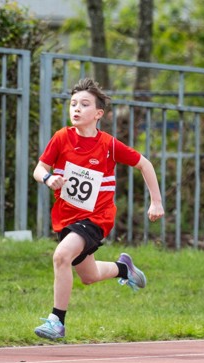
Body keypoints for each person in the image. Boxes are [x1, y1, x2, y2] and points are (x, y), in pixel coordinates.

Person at [32, 78, 164, 340]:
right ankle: (124, 269)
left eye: (84, 104)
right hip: (66, 218)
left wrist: (156, 202)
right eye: (73, 104)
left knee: (61, 257)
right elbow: (39, 169)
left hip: (96, 218)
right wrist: (48, 179)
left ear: (98, 114)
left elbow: (144, 164)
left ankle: (56, 321)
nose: (76, 109)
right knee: (89, 276)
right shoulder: (61, 138)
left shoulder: (108, 145)